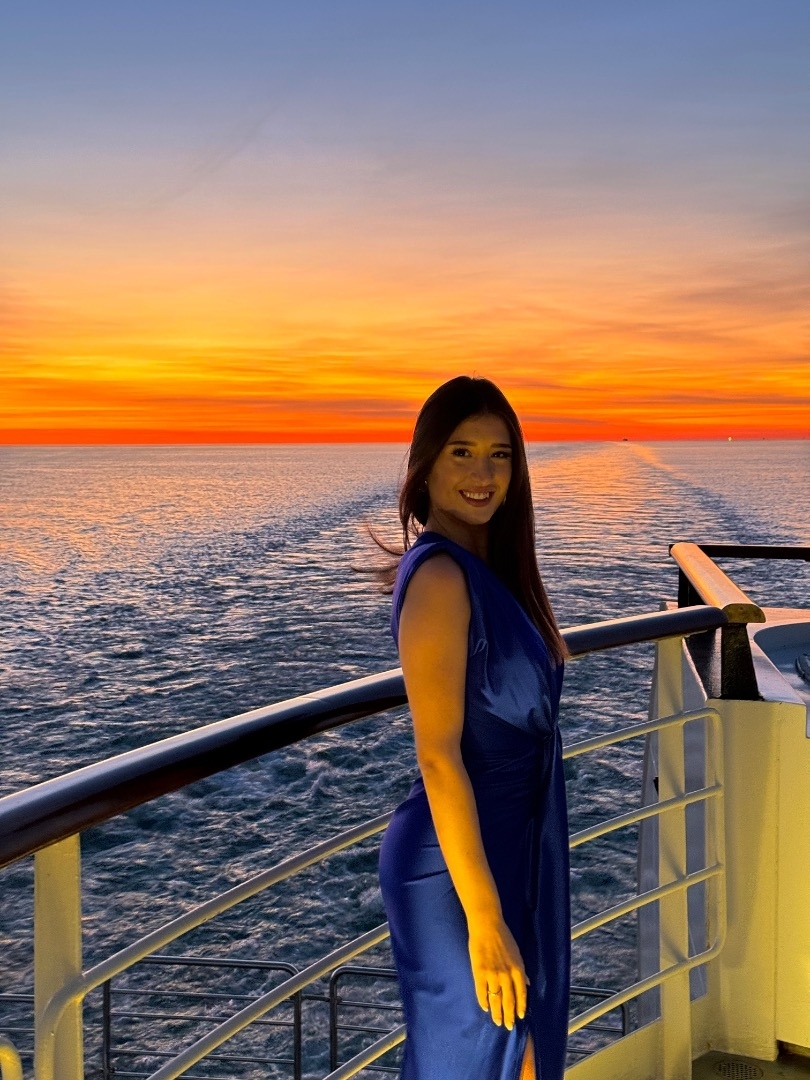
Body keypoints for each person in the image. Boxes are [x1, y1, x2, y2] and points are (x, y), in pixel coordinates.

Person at [378, 376, 570, 1080]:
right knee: (484, 1059)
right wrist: (485, 920)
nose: (482, 474)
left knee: (519, 1057)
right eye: (461, 452)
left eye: (499, 454)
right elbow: (438, 756)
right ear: (425, 465)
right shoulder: (441, 578)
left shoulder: (490, 572)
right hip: (457, 872)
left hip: (512, 844)